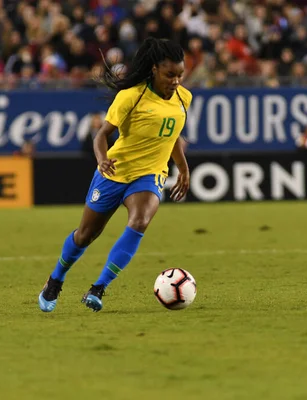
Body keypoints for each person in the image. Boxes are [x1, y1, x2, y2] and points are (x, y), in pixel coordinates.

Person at [38, 37, 193, 313]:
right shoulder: (131, 96)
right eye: (170, 74)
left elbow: (173, 135)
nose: (176, 81)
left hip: (150, 174)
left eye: (180, 74)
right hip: (115, 170)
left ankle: (99, 288)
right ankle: (56, 279)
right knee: (86, 235)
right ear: (155, 69)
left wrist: (183, 167)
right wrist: (102, 159)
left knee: (140, 220)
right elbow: (101, 135)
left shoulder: (183, 99)